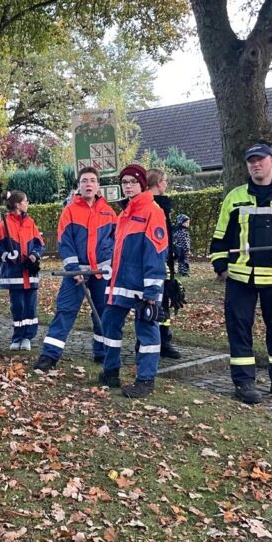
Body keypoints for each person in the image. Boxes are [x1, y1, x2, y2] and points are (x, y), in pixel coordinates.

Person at [209, 143, 272, 404]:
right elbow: (220, 238)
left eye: (260, 160)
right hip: (240, 279)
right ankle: (244, 383)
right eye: (251, 161)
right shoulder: (234, 197)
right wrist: (221, 268)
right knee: (239, 330)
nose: (256, 164)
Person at [34, 167, 116, 372]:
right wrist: (73, 268)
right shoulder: (69, 211)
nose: (88, 184)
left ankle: (102, 351)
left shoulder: (109, 212)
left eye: (92, 181)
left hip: (101, 273)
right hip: (75, 273)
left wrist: (112, 265)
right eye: (84, 181)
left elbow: (116, 242)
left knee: (103, 311)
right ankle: (49, 355)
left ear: (98, 186)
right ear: (79, 186)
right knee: (66, 311)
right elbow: (65, 242)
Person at [99, 163, 169, 398]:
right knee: (109, 324)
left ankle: (146, 380)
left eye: (132, 182)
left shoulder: (152, 211)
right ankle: (110, 371)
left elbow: (155, 252)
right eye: (124, 183)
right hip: (120, 283)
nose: (128, 186)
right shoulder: (124, 213)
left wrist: (152, 291)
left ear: (142, 184)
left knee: (147, 332)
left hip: (142, 285)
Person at [0, 190, 44, 350]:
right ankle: (17, 336)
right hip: (14, 274)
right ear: (17, 205)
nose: (27, 203)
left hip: (30, 273)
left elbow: (39, 243)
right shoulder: (4, 224)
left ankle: (28, 337)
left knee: (31, 306)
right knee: (17, 306)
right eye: (26, 201)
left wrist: (34, 255)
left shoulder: (30, 222)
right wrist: (8, 255)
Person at [146, 167, 181, 359]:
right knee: (155, 300)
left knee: (165, 299)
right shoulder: (154, 206)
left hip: (165, 258)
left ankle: (164, 339)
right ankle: (154, 342)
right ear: (159, 183)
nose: (166, 184)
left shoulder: (162, 205)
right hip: (158, 260)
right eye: (165, 180)